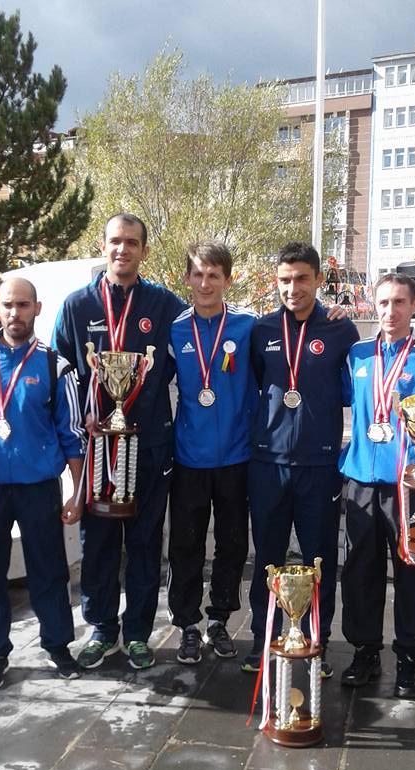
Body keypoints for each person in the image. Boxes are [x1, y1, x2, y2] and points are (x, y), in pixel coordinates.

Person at [53, 213, 186, 671]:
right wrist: (84, 413)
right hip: (97, 448)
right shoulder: (77, 306)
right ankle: (102, 629)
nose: (122, 249)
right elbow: (62, 374)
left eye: (131, 242)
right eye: (115, 241)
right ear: (103, 245)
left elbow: (190, 357)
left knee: (146, 542)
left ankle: (138, 634)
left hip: (149, 446)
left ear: (144, 250)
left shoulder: (165, 306)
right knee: (98, 543)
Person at [0, 278, 85, 690]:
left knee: (49, 569)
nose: (15, 313)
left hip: (38, 485)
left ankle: (58, 645)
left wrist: (77, 492)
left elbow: (72, 434)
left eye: (23, 305)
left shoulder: (55, 366)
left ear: (37, 308)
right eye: (8, 305)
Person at [245, 241, 359, 677]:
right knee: (267, 559)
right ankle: (263, 640)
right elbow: (260, 384)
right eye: (284, 280)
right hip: (268, 464)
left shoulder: (340, 330)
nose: (292, 288)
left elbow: (352, 388)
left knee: (319, 560)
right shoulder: (261, 331)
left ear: (318, 279)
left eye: (302, 279)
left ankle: (317, 642)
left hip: (320, 464)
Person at [338, 273, 415, 699]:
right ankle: (365, 651)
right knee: (359, 571)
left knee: (410, 573)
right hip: (362, 482)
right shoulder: (357, 355)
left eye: (399, 302)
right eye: (383, 302)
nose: (390, 311)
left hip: (408, 488)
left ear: (414, 305)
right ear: (373, 304)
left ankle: (407, 658)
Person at [167, 242, 258, 664]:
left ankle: (219, 619)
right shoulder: (174, 330)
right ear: (187, 278)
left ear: (227, 279)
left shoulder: (247, 326)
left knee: (232, 544)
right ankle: (187, 624)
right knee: (185, 545)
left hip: (237, 457)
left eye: (214, 275)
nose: (205, 283)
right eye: (198, 274)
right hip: (189, 458)